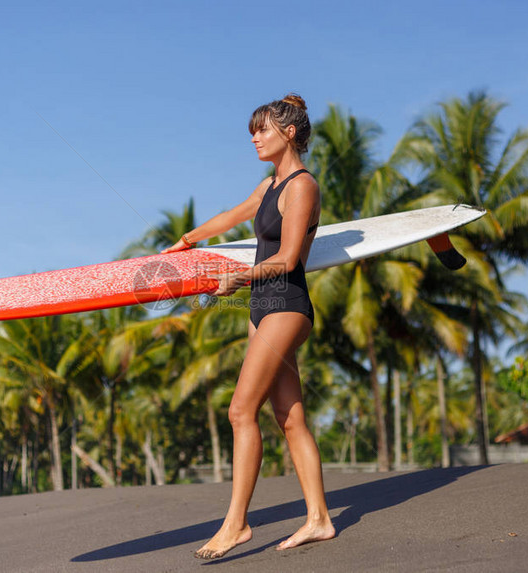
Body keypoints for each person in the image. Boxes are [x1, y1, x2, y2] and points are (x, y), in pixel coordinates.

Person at [162, 94, 335, 559]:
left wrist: (239, 277)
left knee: (242, 410)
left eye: (263, 129)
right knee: (289, 417)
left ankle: (236, 524)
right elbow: (233, 216)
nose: (254, 137)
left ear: (289, 132)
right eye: (252, 131)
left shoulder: (302, 186)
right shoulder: (269, 186)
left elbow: (288, 259)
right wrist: (186, 241)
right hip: (263, 307)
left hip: (286, 305)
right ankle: (319, 518)